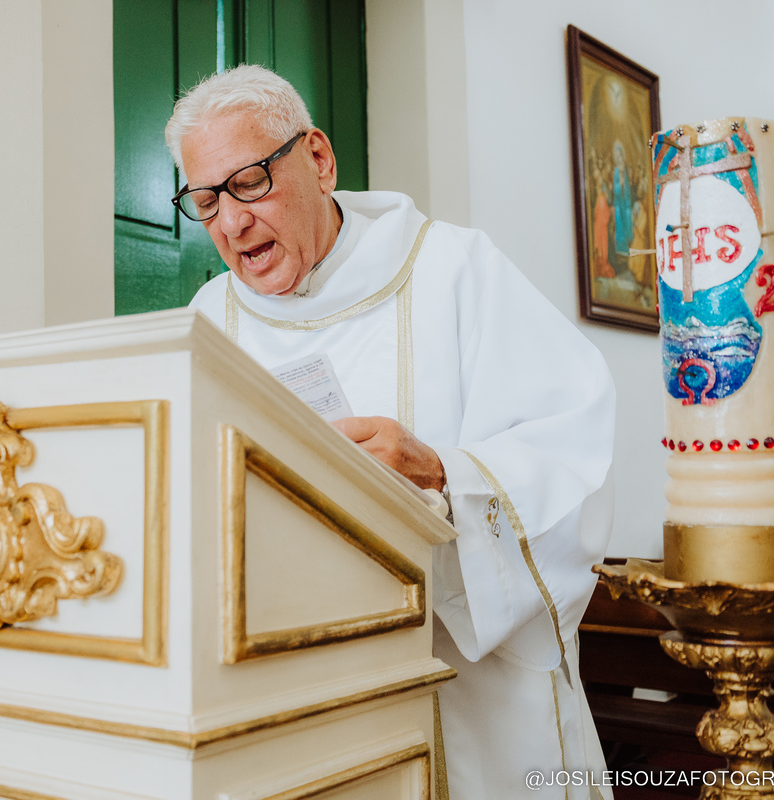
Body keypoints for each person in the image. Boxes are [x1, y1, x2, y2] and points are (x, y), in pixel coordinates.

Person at [166, 64, 616, 799]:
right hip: (296, 690)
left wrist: (444, 472)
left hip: (471, 704)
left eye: (248, 182)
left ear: (317, 159)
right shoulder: (211, 316)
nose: (231, 222)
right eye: (206, 200)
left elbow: (573, 449)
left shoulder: (454, 269)